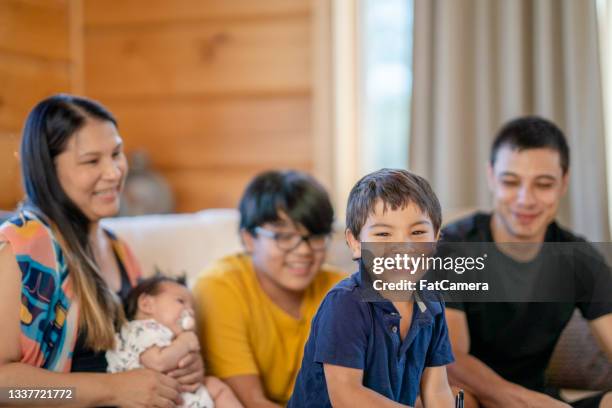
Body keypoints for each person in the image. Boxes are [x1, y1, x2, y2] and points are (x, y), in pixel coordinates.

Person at [0, 94, 202, 407]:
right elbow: (5, 390)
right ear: (48, 170)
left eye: (117, 154)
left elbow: (138, 348)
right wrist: (112, 389)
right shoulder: (18, 248)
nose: (115, 172)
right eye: (92, 161)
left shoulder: (118, 249)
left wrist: (182, 367)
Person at [442, 116, 612, 408]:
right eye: (511, 182)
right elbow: (452, 358)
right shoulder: (453, 249)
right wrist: (525, 403)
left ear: (563, 183)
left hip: (539, 398)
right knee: (457, 398)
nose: (525, 199)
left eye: (543, 184)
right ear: (491, 177)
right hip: (474, 397)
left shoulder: (578, 259)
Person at [289, 168, 455, 407]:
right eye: (383, 234)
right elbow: (347, 396)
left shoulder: (431, 304)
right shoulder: (345, 304)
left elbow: (437, 389)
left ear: (436, 238)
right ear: (355, 243)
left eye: (418, 232)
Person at [193, 170, 345, 407]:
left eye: (315, 236)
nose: (304, 251)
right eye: (284, 236)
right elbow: (252, 402)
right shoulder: (219, 288)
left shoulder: (342, 290)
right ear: (249, 239)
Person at [108, 275, 243, 408]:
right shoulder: (140, 330)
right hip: (153, 397)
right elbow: (157, 362)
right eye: (180, 301)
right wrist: (185, 343)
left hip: (177, 393)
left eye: (193, 310)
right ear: (146, 304)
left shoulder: (171, 337)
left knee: (215, 386)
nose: (189, 311)